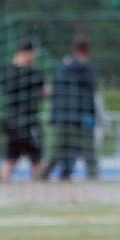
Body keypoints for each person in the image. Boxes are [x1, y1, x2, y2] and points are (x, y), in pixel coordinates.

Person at [45, 34, 100, 181]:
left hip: (63, 117)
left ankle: (43, 178)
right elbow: (94, 95)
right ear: (88, 51)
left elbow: (53, 93)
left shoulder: (62, 69)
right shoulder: (88, 71)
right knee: (89, 154)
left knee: (58, 152)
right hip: (82, 117)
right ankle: (94, 182)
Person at [0, 40, 45, 183]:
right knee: (35, 160)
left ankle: (3, 186)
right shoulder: (34, 73)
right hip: (27, 122)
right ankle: (38, 187)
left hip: (12, 121)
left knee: (12, 158)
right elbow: (42, 94)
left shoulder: (8, 72)